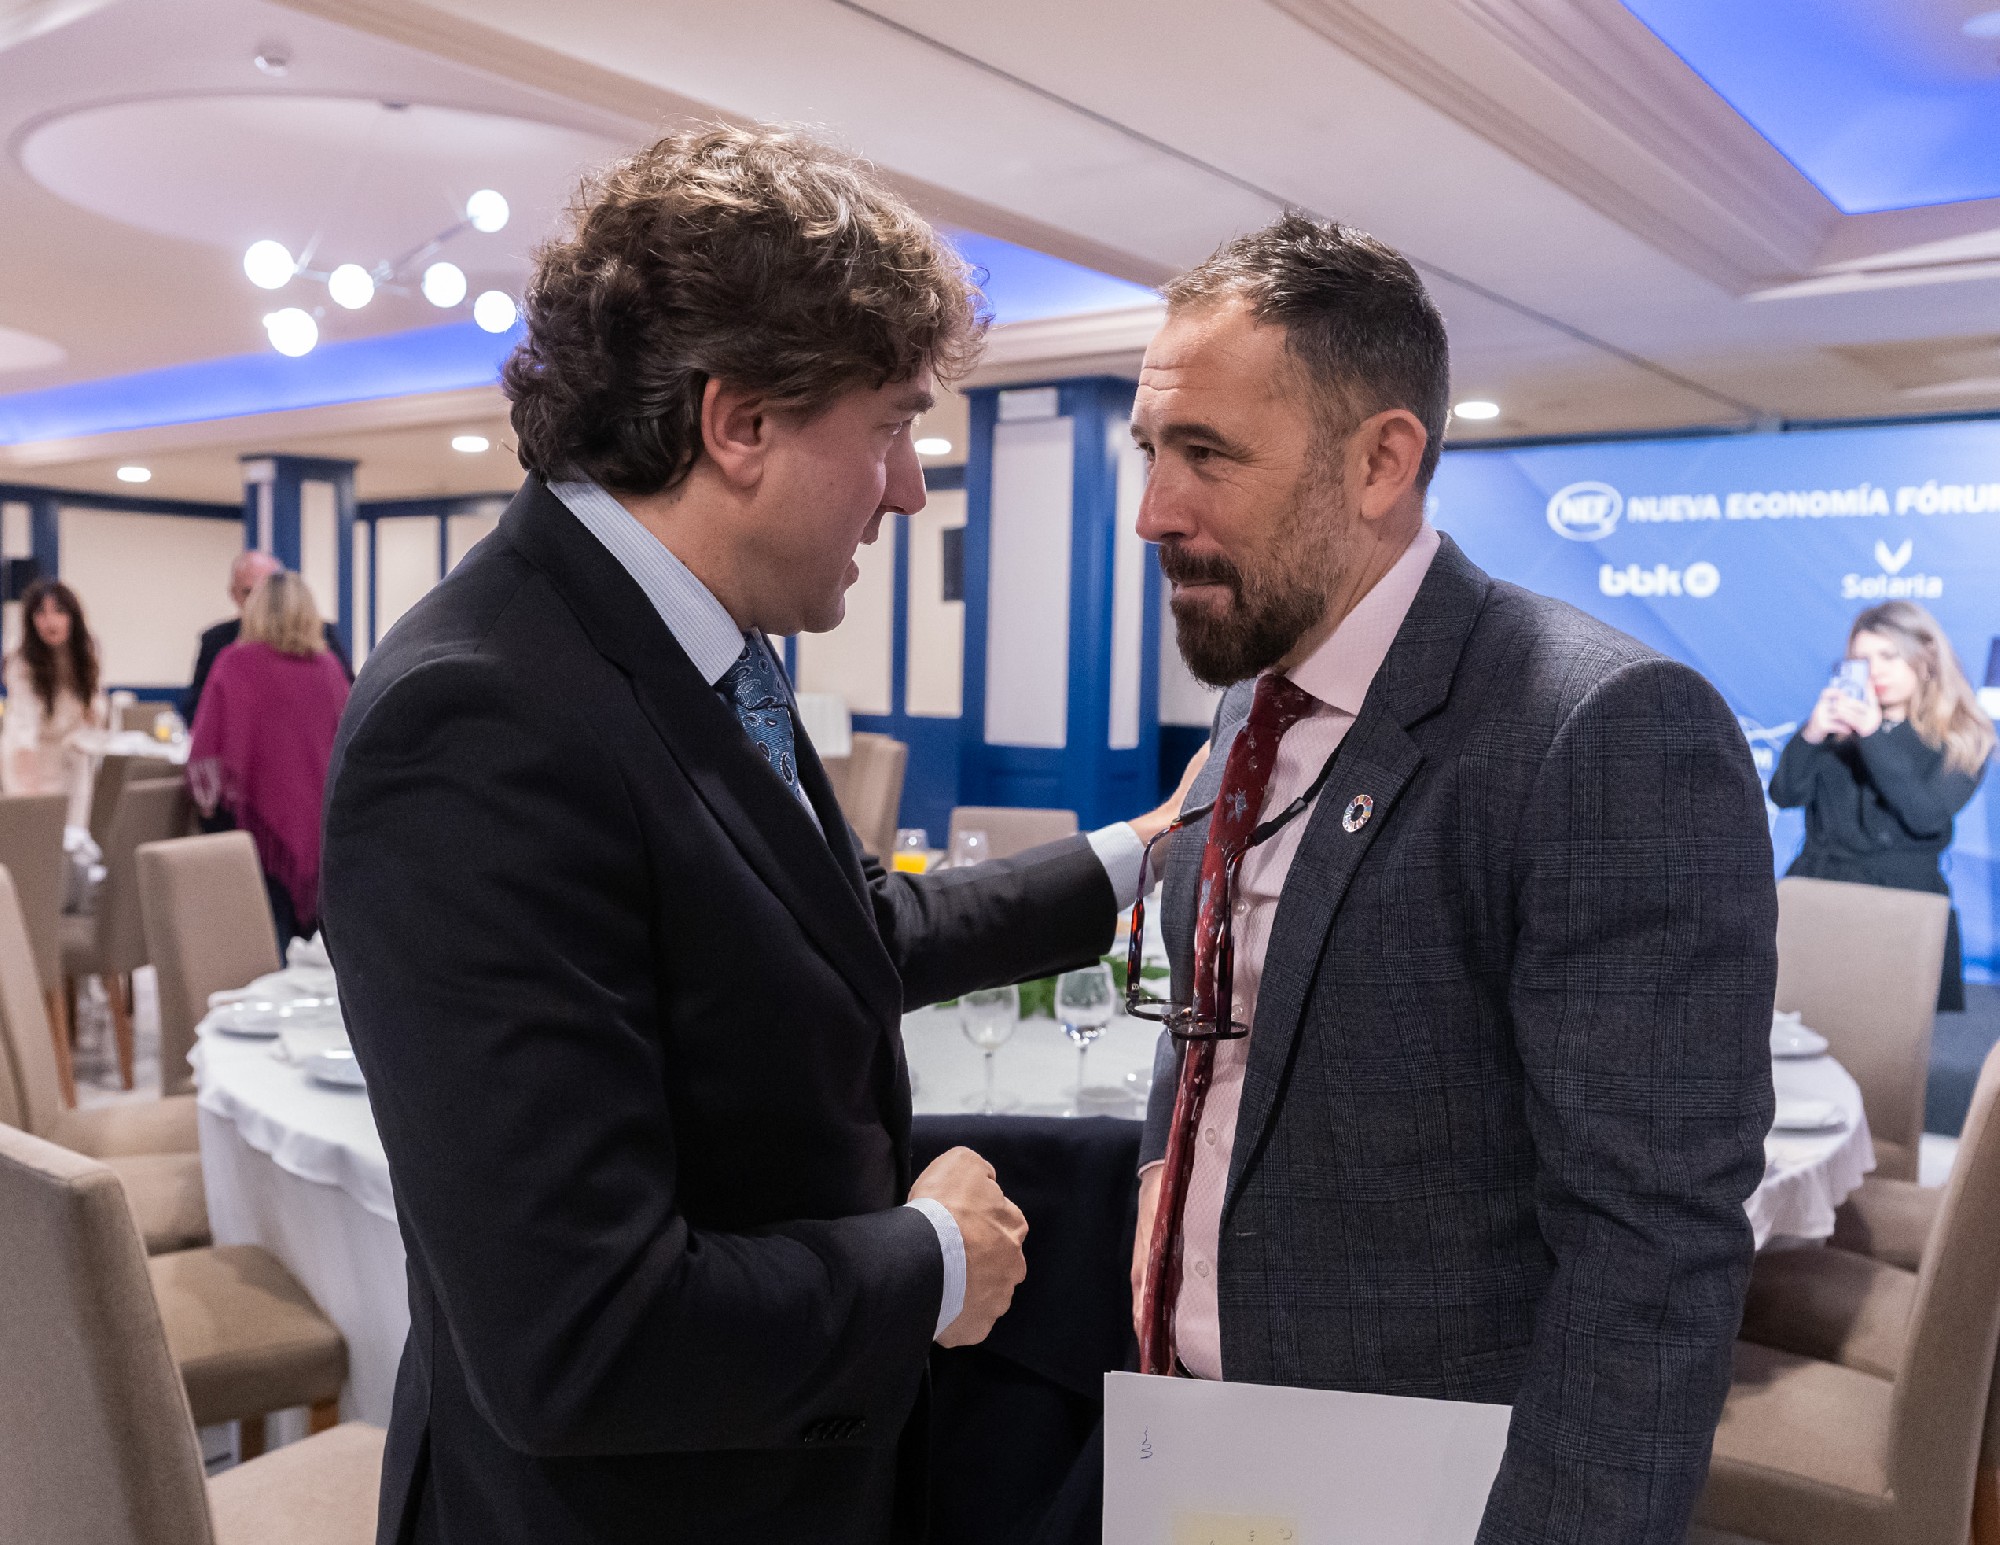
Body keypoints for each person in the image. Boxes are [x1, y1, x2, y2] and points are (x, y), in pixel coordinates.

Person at [320, 125, 1192, 1545]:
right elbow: (578, 1336)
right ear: (739, 425)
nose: (910, 488)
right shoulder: (476, 723)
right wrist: (928, 1263)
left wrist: (1143, 849)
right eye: (892, 426)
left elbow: (850, 926)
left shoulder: (706, 649)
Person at [1125, 215, 1776, 1545]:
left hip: (1425, 1486)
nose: (1155, 511)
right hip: (1198, 1444)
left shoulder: (1603, 726)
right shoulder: (1258, 698)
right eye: (1151, 451)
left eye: (1208, 455)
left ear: (1380, 461)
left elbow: (1651, 1258)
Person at [1770, 600, 1994, 1010]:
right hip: (1818, 893)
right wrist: (1813, 733)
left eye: (1889, 656)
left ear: (1925, 658)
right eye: (1862, 659)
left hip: (1901, 907)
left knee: (1886, 1050)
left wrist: (1872, 733)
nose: (1876, 671)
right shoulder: (1838, 726)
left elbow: (1926, 816)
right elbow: (1785, 794)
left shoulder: (1966, 736)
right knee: (1795, 1038)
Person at [187, 571, 350, 944]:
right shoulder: (328, 669)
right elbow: (347, 738)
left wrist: (211, 807)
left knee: (262, 940)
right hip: (321, 822)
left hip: (253, 829)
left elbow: (205, 754)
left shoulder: (234, 663)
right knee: (319, 952)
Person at [181, 548, 351, 723]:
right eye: (249, 592)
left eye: (266, 592)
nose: (259, 602)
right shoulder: (218, 643)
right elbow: (196, 710)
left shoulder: (321, 637)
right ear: (234, 594)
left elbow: (347, 702)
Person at [2, 578, 107, 827]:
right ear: (31, 620)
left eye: (59, 611)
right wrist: (32, 795)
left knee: (73, 833)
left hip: (71, 757)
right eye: (41, 613)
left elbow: (95, 708)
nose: (50, 621)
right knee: (35, 833)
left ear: (72, 616)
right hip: (30, 758)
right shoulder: (21, 659)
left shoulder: (88, 650)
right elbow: (24, 727)